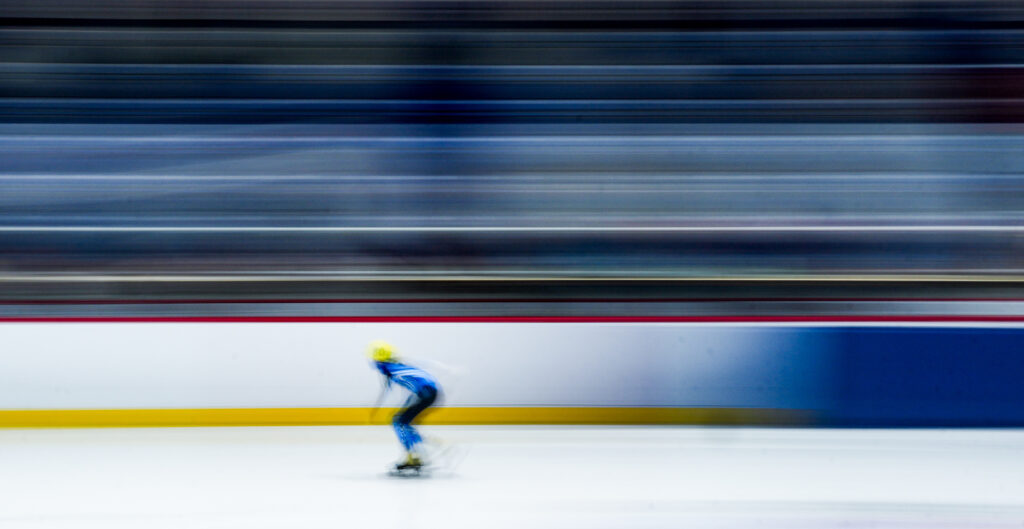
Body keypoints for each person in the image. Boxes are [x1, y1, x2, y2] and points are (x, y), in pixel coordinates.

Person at [367, 340, 442, 471]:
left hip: (426, 393)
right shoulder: (395, 366)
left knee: (399, 422)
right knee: (403, 421)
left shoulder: (390, 368)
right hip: (428, 392)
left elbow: (409, 379)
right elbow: (416, 377)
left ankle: (413, 456)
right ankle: (417, 449)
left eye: (374, 359)